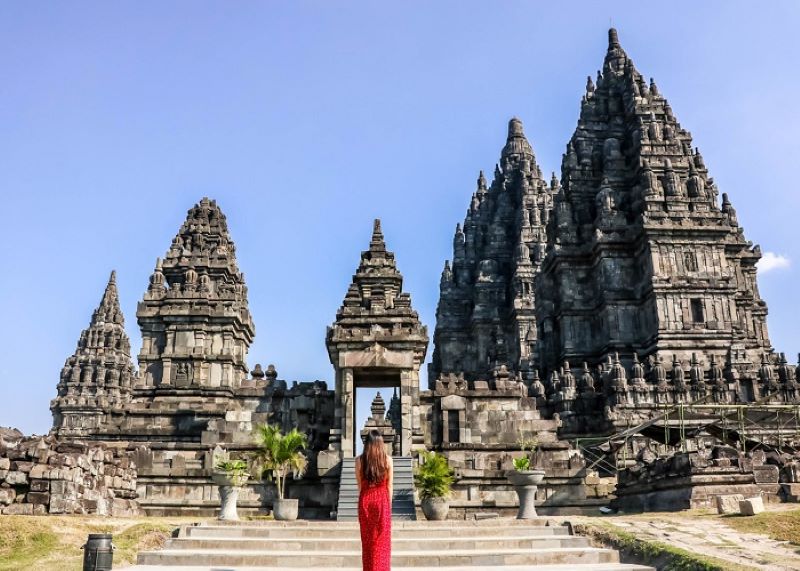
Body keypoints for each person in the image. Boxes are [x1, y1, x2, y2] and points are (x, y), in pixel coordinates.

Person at [355, 430, 393, 571]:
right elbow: (389, 486)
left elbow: (360, 485)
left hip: (366, 501)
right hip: (382, 502)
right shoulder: (388, 460)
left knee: (368, 544)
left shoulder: (359, 461)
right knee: (382, 544)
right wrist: (388, 509)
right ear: (381, 444)